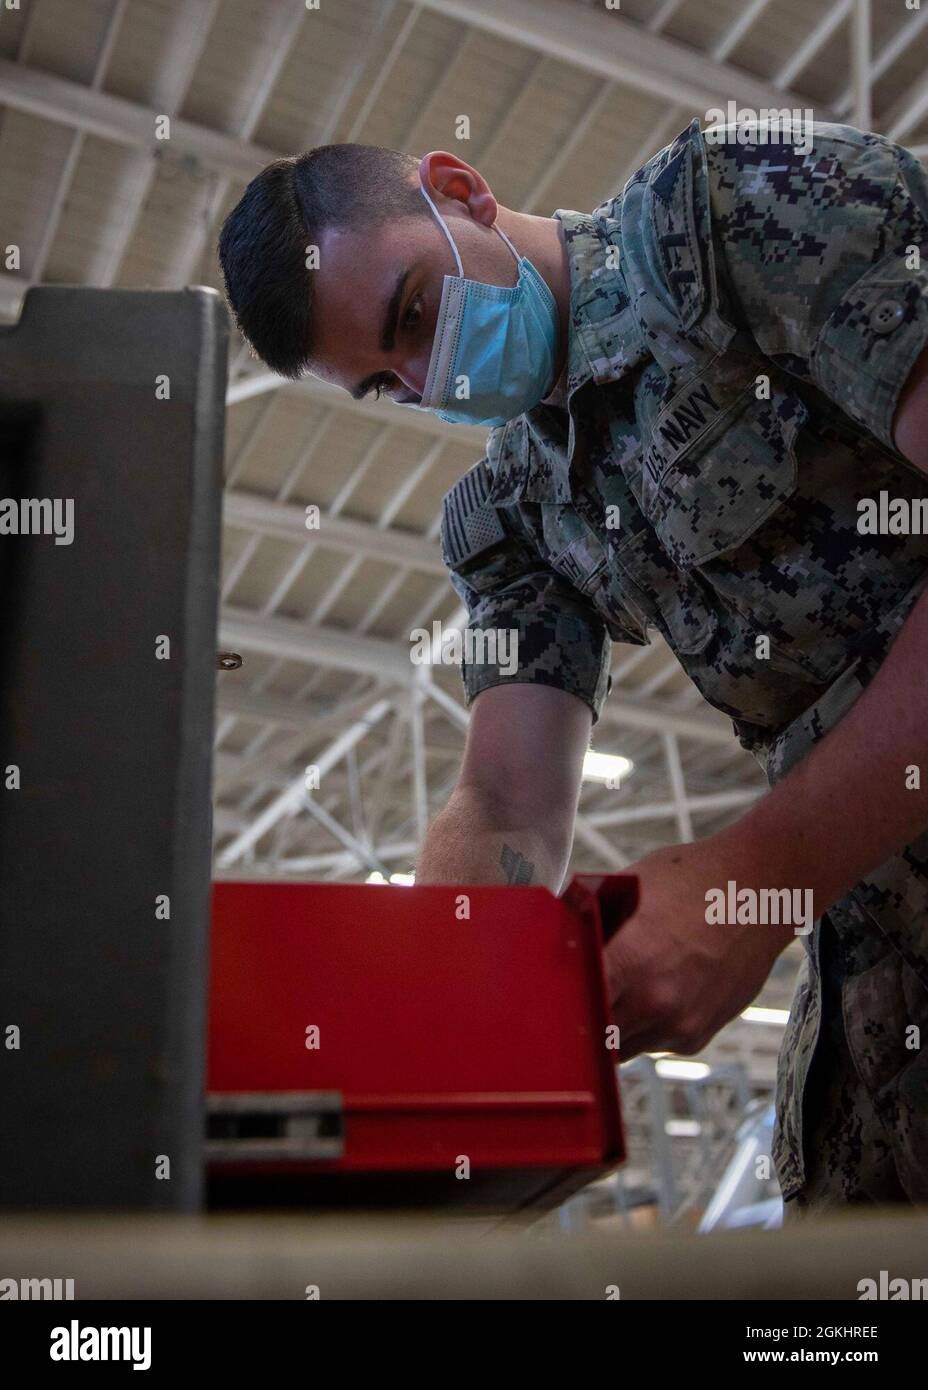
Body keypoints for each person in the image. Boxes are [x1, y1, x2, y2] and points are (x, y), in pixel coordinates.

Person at [218, 119, 928, 1212]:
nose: (424, 377)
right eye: (383, 384)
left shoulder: (722, 218)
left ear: (461, 189)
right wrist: (445, 1039)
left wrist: (758, 873)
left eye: (412, 313)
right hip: (874, 917)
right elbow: (504, 799)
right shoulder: (513, 517)